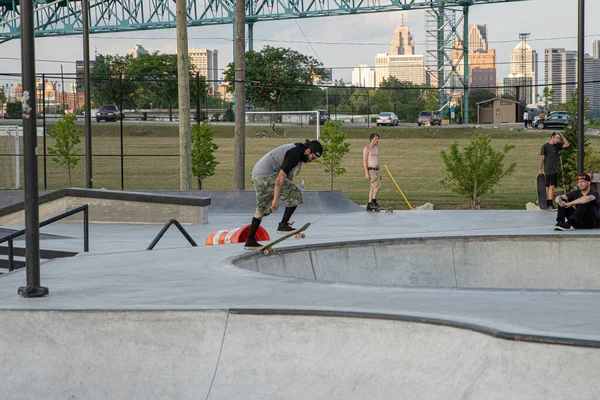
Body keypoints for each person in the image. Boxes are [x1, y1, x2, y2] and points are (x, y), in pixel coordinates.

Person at [244, 139, 323, 250]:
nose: (312, 161)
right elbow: (280, 177)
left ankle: (250, 241)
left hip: (258, 175)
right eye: (313, 158)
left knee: (261, 208)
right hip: (268, 175)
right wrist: (275, 200)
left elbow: (287, 178)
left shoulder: (297, 152)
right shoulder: (295, 154)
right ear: (308, 151)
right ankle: (283, 225)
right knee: (296, 195)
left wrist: (286, 189)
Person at [539, 131, 569, 210]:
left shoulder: (557, 146)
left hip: (555, 169)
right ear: (552, 137)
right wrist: (540, 169)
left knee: (551, 187)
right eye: (557, 138)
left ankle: (549, 204)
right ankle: (549, 205)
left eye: (559, 138)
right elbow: (542, 158)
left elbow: (567, 144)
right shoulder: (545, 146)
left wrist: (561, 135)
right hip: (549, 169)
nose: (558, 140)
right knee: (551, 187)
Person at [363, 132, 381, 211]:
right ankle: (373, 201)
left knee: (372, 188)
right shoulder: (367, 148)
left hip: (376, 170)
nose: (377, 140)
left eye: (378, 139)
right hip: (371, 170)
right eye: (375, 139)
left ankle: (369, 204)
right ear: (371, 139)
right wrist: (366, 173)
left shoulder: (376, 149)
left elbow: (376, 160)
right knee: (377, 185)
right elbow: (364, 161)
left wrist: (379, 172)